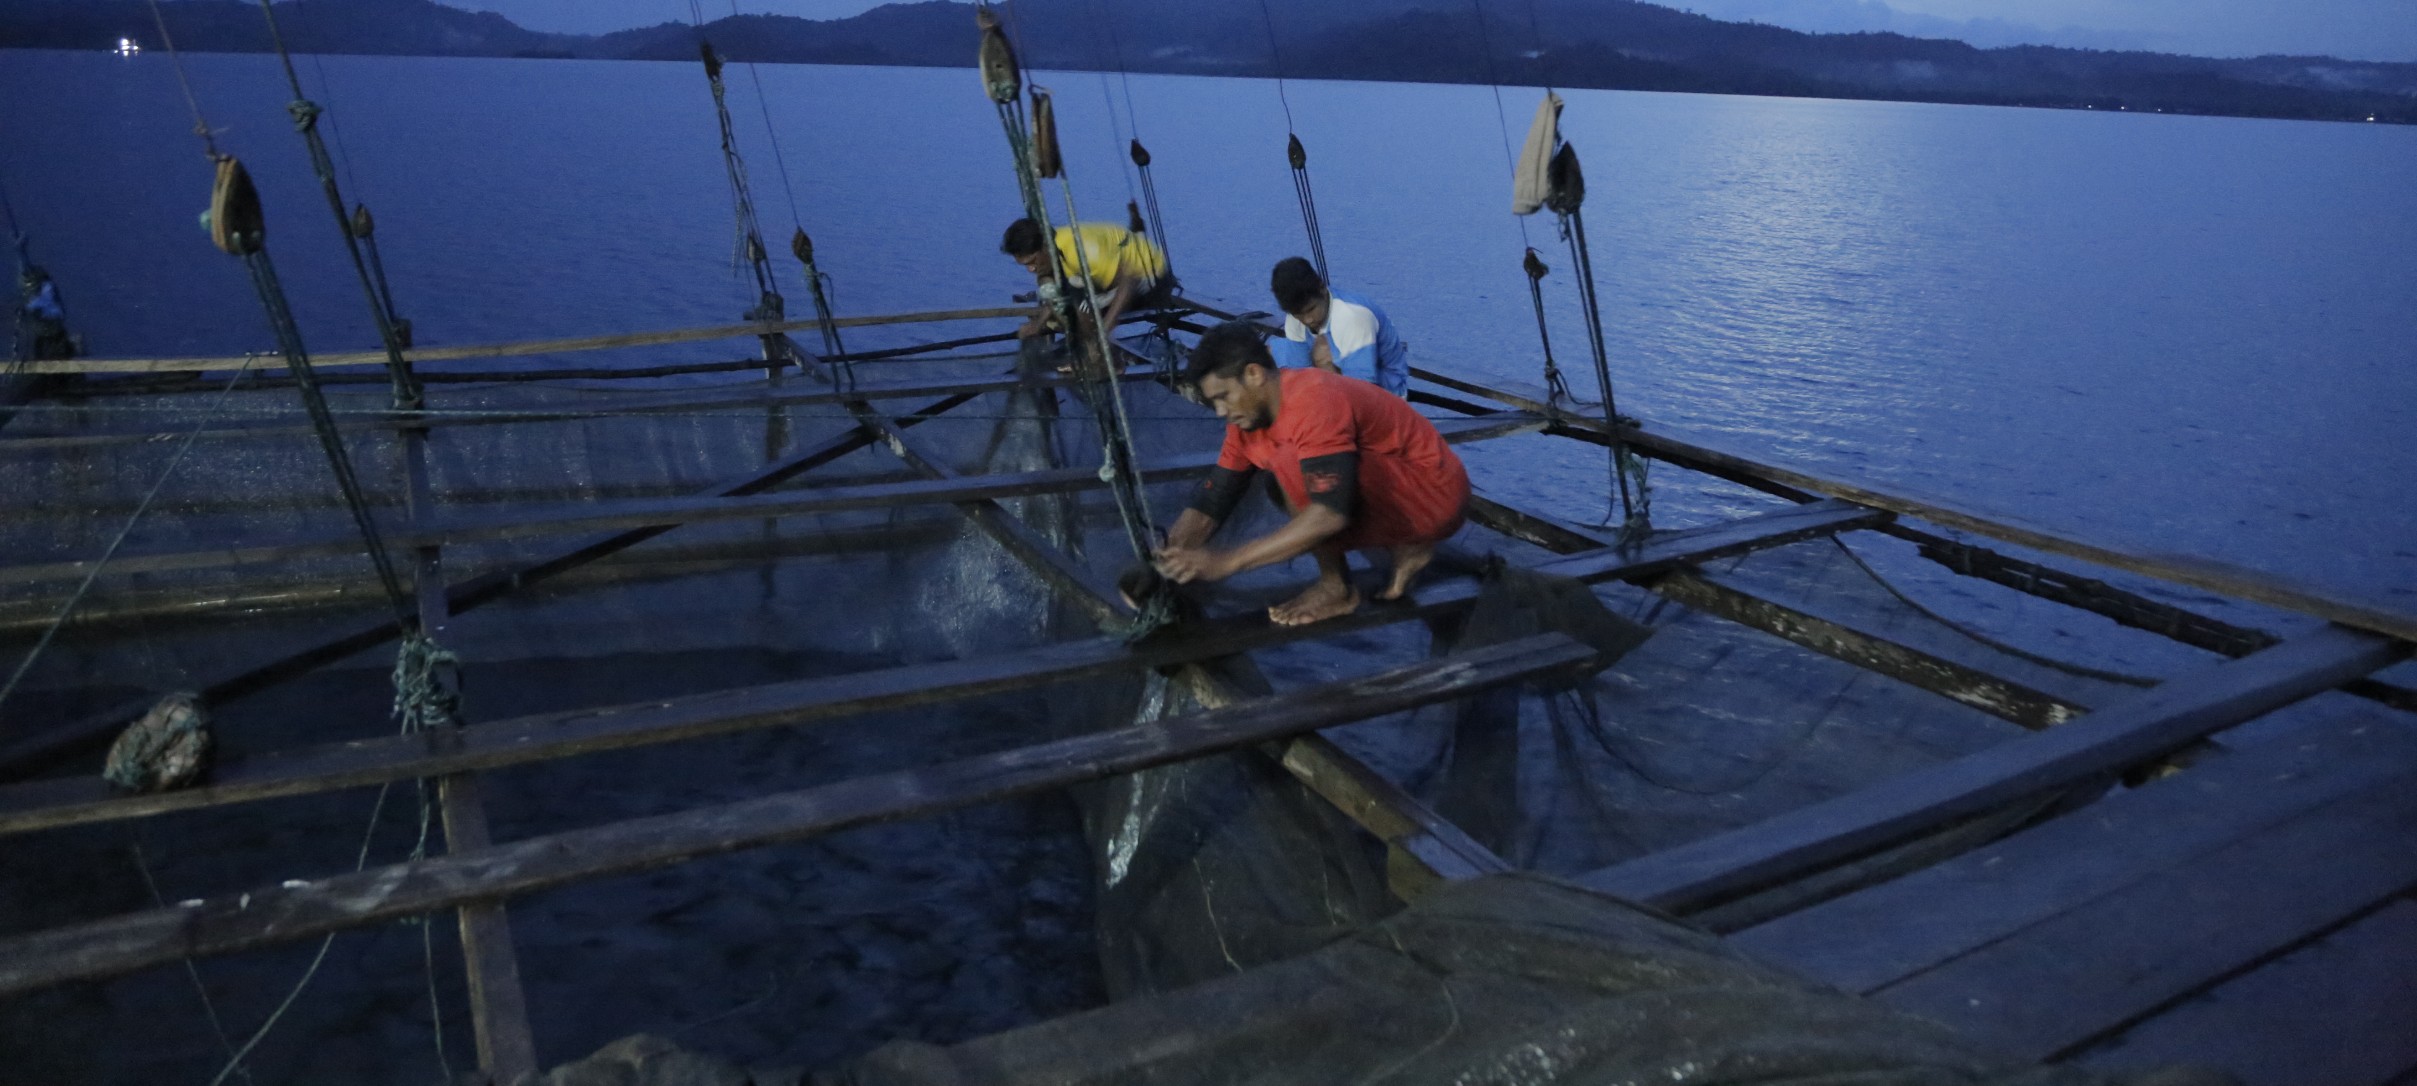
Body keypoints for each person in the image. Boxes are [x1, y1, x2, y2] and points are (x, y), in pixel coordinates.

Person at [1154, 321, 1469, 626]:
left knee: (1290, 463)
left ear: (1253, 374)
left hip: (1437, 494)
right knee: (1281, 474)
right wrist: (1167, 560)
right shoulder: (1247, 421)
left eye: (1224, 396)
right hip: (1395, 490)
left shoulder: (1314, 399)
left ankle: (1337, 589)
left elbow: (1330, 515)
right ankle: (1408, 547)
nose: (1221, 411)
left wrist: (1226, 562)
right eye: (1214, 402)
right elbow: (1214, 498)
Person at [999, 217, 1173, 345]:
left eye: (1033, 262)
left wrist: (1104, 331)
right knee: (1067, 300)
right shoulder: (1057, 247)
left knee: (1080, 304)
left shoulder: (1080, 252)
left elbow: (1129, 280)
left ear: (1045, 246)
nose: (1031, 269)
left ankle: (1102, 357)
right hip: (1109, 280)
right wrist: (1038, 324)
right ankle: (1090, 347)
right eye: (1025, 265)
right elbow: (1059, 292)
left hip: (1148, 277)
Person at [1265, 256, 1408, 397]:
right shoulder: (1294, 320)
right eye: (1298, 314)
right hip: (1336, 379)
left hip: (1386, 394)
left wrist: (1327, 369)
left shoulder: (1352, 318)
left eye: (1311, 309)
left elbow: (1363, 396)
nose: (1307, 320)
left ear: (1322, 288)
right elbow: (1301, 376)